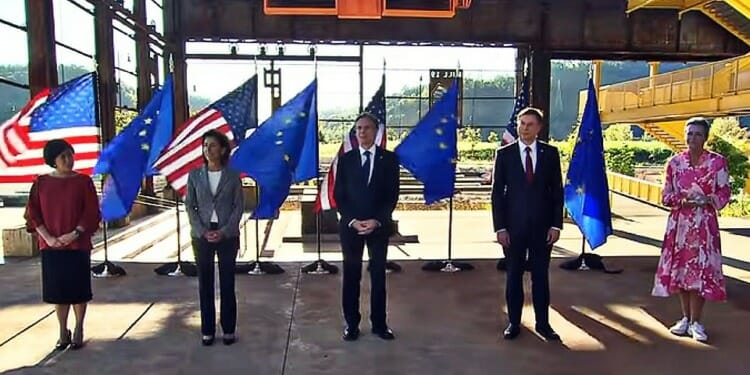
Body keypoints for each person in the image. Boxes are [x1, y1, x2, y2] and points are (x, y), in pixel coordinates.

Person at [652, 117, 730, 343]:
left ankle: (697, 321)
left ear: (705, 137)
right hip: (680, 224)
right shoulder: (675, 163)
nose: (692, 138)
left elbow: (724, 193)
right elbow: (665, 196)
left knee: (701, 271)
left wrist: (708, 199)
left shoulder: (717, 163)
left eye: (697, 134)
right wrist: (681, 200)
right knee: (681, 270)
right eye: (689, 133)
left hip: (704, 223)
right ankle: (685, 318)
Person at [491, 107, 563, 341]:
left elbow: (557, 193)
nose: (524, 128)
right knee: (514, 276)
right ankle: (514, 322)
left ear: (539, 128)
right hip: (513, 229)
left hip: (543, 229)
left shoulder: (551, 154)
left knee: (540, 276)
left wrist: (556, 225)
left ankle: (543, 323)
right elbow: (497, 195)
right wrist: (500, 227)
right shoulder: (504, 155)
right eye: (522, 123)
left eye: (530, 124)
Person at [24, 139, 101, 350]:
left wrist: (75, 233)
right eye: (63, 156)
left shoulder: (84, 182)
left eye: (70, 154)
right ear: (53, 161)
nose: (69, 160)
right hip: (51, 246)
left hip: (78, 245)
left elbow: (92, 212)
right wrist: (47, 237)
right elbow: (32, 213)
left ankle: (78, 328)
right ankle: (62, 330)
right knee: (59, 291)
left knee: (79, 289)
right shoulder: (41, 183)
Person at [334, 112, 400, 342]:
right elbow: (339, 195)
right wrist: (352, 220)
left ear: (376, 131)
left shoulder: (389, 160)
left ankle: (380, 324)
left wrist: (377, 220)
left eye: (367, 128)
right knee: (351, 277)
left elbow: (392, 196)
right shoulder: (346, 159)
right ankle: (352, 324)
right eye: (358, 129)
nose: (362, 132)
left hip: (378, 227)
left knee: (378, 277)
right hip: (351, 227)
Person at [185, 129, 244, 346]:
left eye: (212, 145)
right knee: (205, 284)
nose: (207, 149)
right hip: (202, 235)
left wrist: (225, 230)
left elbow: (239, 206)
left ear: (222, 149)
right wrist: (202, 230)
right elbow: (190, 206)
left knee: (227, 283)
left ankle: (228, 329)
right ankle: (207, 330)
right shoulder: (194, 176)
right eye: (205, 146)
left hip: (227, 235)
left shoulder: (232, 176)